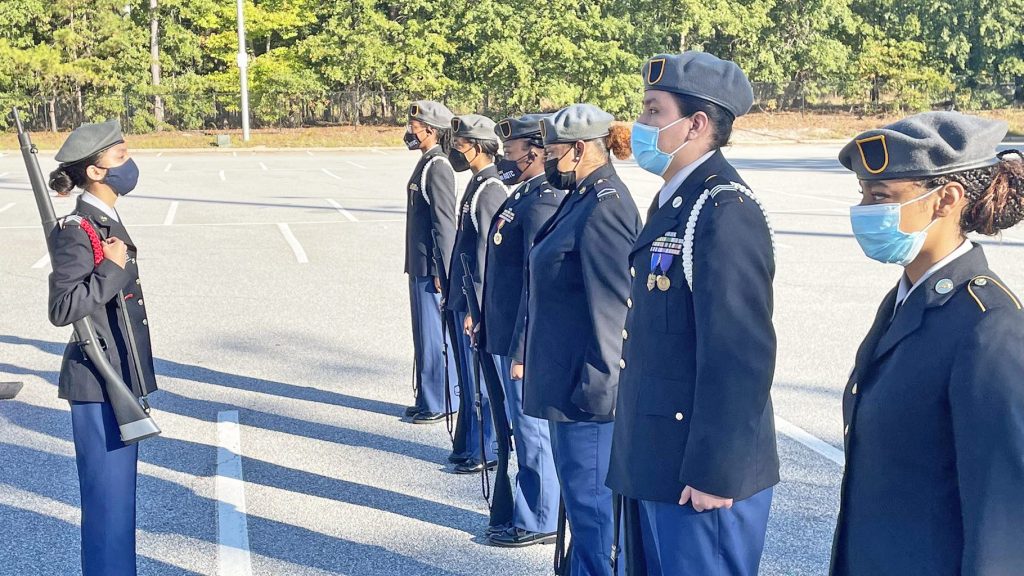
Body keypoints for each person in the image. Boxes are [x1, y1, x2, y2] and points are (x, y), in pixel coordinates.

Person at [606, 51, 780, 576]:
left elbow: (740, 352)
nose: (640, 123)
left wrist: (716, 471)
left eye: (654, 111)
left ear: (696, 124)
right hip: (658, 456)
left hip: (699, 475)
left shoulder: (723, 210)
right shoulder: (676, 199)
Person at [831, 112, 1024, 576]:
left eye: (881, 196)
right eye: (862, 193)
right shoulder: (905, 298)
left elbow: (1002, 514)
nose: (864, 209)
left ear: (946, 199)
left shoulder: (988, 325)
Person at [521, 104, 640, 575]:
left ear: (578, 150)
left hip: (587, 397)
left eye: (551, 153)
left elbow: (613, 310)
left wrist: (598, 395)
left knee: (594, 518)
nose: (546, 161)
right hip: (568, 387)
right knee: (581, 511)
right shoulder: (582, 196)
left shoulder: (605, 206)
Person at [46, 120, 158, 576]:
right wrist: (112, 268)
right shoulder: (77, 228)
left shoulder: (103, 219)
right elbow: (63, 307)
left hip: (118, 375)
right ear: (95, 171)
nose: (129, 164)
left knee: (119, 507)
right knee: (108, 508)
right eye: (120, 156)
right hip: (97, 379)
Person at [481, 114, 564, 547]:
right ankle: (527, 508)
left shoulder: (543, 200)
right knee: (518, 425)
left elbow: (535, 285)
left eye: (510, 153)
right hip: (504, 330)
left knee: (532, 430)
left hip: (521, 338)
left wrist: (521, 347)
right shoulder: (524, 195)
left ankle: (540, 517)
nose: (505, 160)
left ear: (534, 153)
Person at [446, 114, 508, 474]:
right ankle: (470, 442)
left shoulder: (490, 189)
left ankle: (486, 447)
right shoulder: (477, 183)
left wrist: (477, 306)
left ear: (480, 147)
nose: (456, 149)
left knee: (481, 382)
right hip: (462, 292)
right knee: (469, 380)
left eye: (461, 144)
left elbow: (487, 252)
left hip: (474, 299)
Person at [402, 100, 460, 424]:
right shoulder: (426, 161)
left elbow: (444, 223)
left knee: (434, 337)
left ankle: (439, 401)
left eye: (414, 127)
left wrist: (442, 269)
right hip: (418, 264)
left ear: (431, 131)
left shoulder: (438, 166)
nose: (409, 132)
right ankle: (426, 395)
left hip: (430, 267)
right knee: (423, 336)